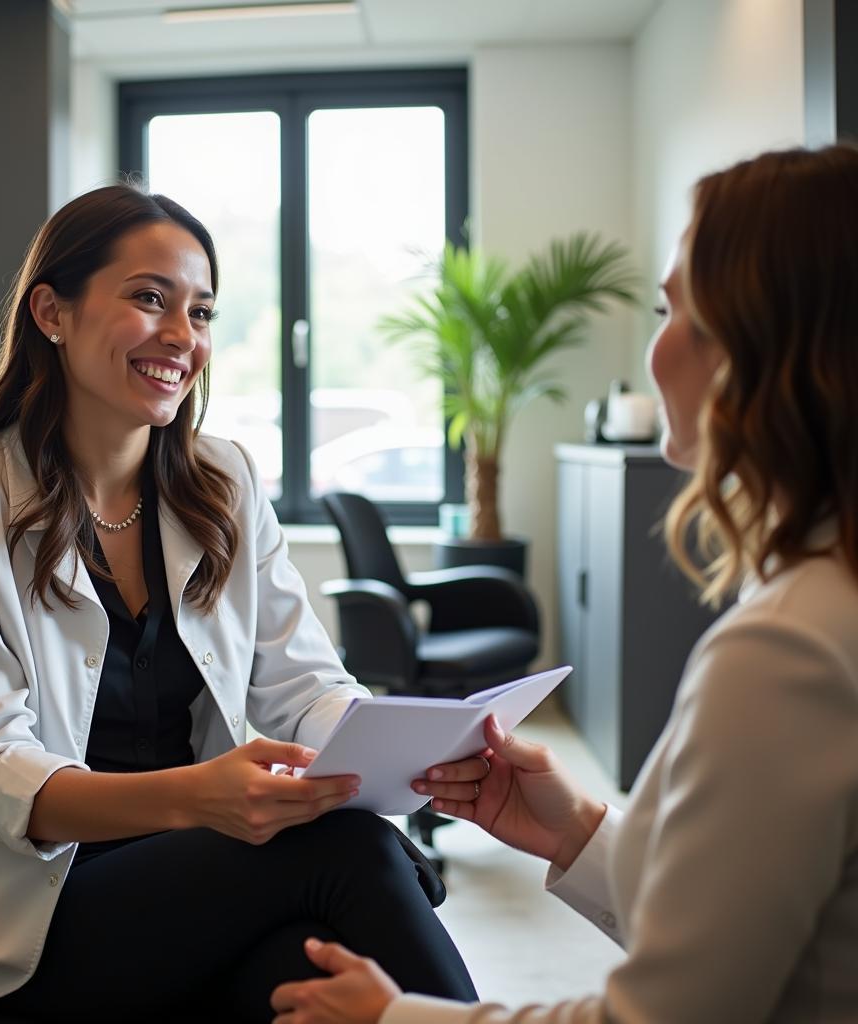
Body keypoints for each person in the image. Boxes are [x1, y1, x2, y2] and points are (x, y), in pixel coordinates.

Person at [0, 184, 477, 1021]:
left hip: (184, 883)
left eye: (202, 313)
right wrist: (195, 796)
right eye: (149, 299)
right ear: (51, 313)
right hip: (9, 916)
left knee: (320, 978)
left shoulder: (225, 484)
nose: (183, 336)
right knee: (352, 855)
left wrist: (399, 751)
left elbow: (305, 687)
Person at [270, 143, 858, 1024]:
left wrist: (396, 1019)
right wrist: (574, 832)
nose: (654, 353)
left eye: (673, 312)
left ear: (755, 344)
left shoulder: (787, 650)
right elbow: (756, 919)